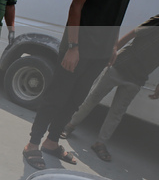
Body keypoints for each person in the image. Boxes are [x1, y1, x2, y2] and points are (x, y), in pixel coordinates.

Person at [22, 0, 159, 170]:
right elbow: (76, 6)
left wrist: (113, 45)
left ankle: (51, 142)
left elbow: (119, 7)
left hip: (102, 48)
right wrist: (73, 47)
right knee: (57, 96)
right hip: (80, 44)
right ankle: (32, 144)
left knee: (75, 99)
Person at [61, 15, 159, 161]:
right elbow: (133, 34)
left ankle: (100, 143)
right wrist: (112, 52)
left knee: (117, 112)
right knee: (93, 98)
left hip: (138, 77)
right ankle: (69, 126)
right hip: (120, 65)